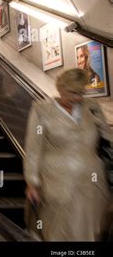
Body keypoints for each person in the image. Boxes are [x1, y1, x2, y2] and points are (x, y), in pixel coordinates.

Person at [23, 68, 111, 241]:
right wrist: (32, 182)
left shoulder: (92, 108)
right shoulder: (42, 110)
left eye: (81, 93)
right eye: (72, 92)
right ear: (60, 87)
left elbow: (108, 137)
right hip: (56, 182)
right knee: (60, 230)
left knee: (92, 229)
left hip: (93, 183)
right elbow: (33, 149)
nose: (77, 98)